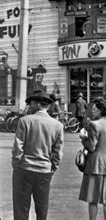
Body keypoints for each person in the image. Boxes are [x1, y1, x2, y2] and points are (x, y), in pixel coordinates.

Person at [11, 90, 64, 220]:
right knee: (42, 207)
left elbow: (18, 148)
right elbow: (58, 152)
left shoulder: (24, 121)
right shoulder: (57, 125)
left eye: (31, 103)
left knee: (21, 207)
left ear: (38, 104)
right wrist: (52, 167)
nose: (29, 106)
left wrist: (16, 165)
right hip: (44, 171)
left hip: (24, 169)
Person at [79, 97, 106, 220]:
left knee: (93, 199)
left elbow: (91, 146)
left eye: (95, 109)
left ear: (101, 110)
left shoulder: (94, 125)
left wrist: (83, 138)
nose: (92, 111)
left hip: (94, 164)